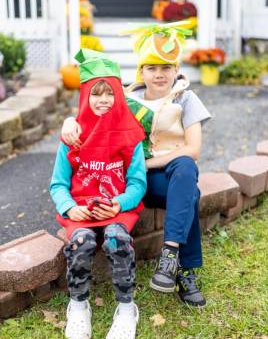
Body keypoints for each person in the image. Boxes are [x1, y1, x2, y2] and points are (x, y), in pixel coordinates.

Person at [61, 22, 211, 307]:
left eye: (166, 67)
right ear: (141, 70)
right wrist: (69, 121)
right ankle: (186, 270)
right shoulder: (127, 100)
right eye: (152, 67)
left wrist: (150, 161)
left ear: (176, 69)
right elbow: (91, 113)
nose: (159, 74)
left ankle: (170, 258)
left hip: (171, 173)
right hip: (135, 181)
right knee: (190, 194)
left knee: (186, 168)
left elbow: (192, 149)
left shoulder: (187, 99)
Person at [50, 49, 146, 339]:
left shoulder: (130, 136)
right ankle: (78, 304)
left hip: (116, 209)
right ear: (84, 96)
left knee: (117, 239)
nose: (103, 99)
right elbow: (58, 185)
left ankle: (127, 308)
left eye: (109, 93)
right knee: (82, 242)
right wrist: (70, 208)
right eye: (96, 93)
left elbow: (138, 182)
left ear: (119, 95)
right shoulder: (73, 137)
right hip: (80, 209)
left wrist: (120, 203)